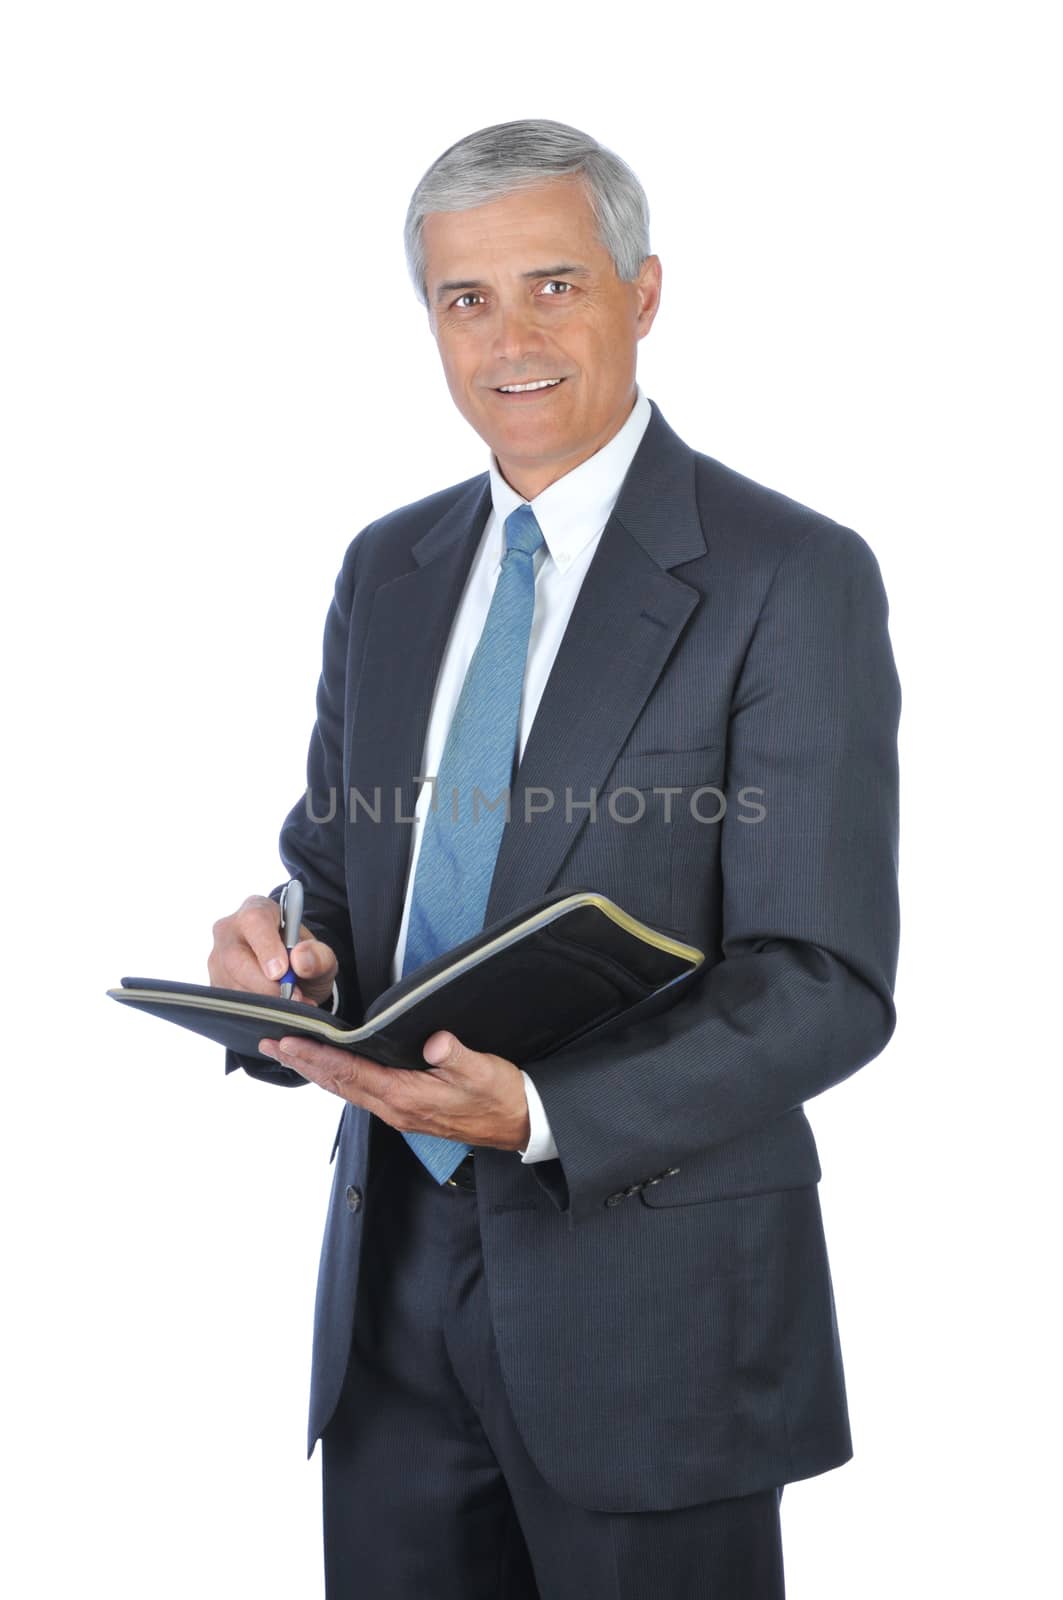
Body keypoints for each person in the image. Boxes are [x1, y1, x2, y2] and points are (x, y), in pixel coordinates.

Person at [209, 118, 901, 1599]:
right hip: (390, 1302)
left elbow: (826, 978)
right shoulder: (386, 571)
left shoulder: (788, 576)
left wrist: (540, 1109)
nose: (509, 339)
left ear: (642, 293)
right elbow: (334, 864)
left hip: (648, 1316)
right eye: (466, 300)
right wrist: (288, 950)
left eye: (553, 286)